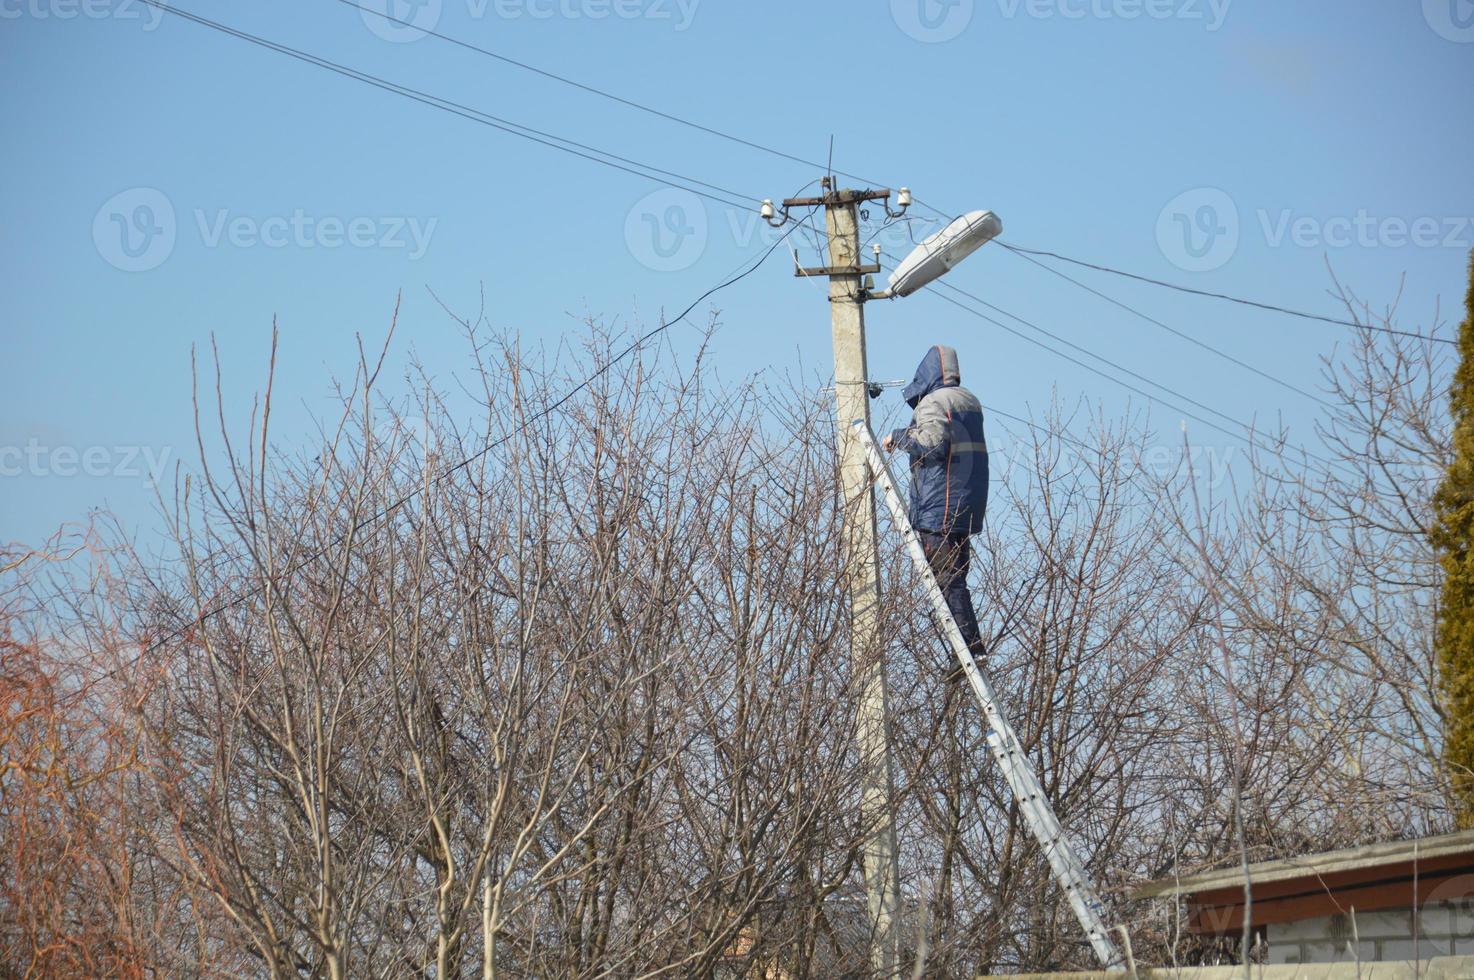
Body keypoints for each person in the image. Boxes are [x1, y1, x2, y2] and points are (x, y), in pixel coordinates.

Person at [882, 344, 989, 667]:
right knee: (956, 579)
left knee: (947, 579)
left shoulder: (933, 403)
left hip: (938, 507)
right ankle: (969, 649)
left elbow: (932, 443)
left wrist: (898, 437)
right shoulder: (970, 402)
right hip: (964, 508)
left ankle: (969, 650)